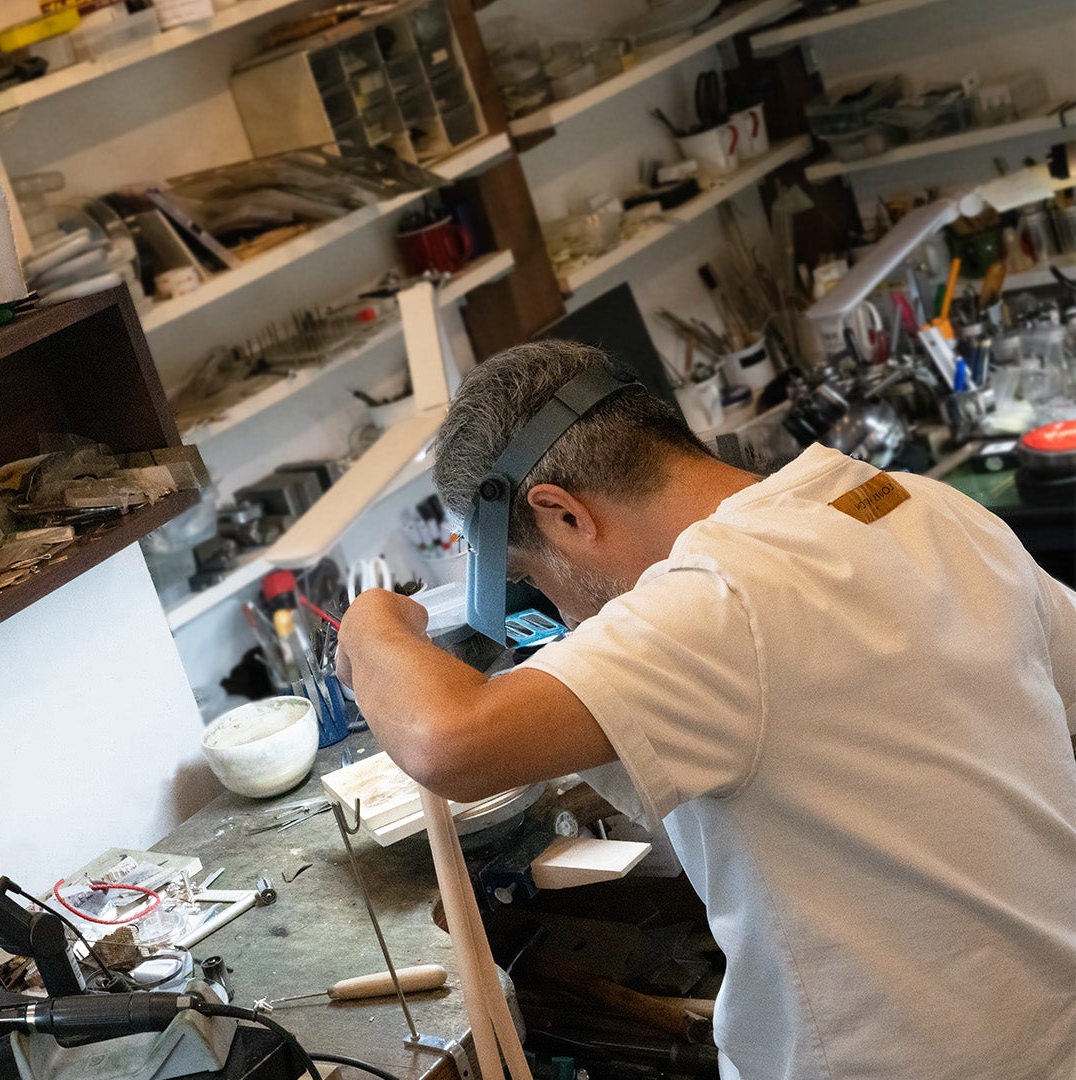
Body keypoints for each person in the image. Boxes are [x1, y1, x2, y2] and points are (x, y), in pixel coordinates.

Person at [335, 340, 1076, 1079]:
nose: (560, 613)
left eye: (532, 575)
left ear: (563, 513)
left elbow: (448, 742)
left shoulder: (714, 601)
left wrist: (370, 624)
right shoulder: (917, 502)